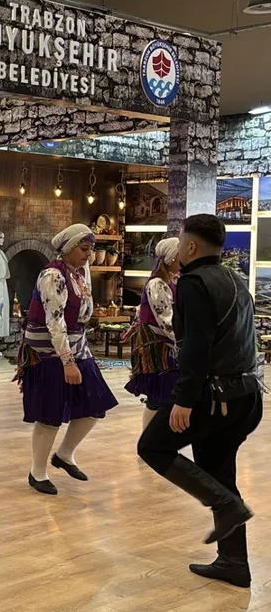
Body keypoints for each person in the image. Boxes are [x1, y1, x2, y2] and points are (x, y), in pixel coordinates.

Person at [138, 215, 263, 589]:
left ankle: (226, 507)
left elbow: (196, 346)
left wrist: (184, 400)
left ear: (191, 246)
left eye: (180, 241)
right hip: (245, 396)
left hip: (213, 396)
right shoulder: (234, 280)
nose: (178, 247)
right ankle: (234, 562)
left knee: (152, 446)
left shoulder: (194, 283)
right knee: (219, 474)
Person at [15, 224, 118, 495]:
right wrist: (67, 361)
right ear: (69, 248)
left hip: (76, 344)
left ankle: (64, 454)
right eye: (84, 249)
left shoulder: (79, 274)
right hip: (48, 351)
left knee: (96, 403)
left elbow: (80, 316)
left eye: (91, 249)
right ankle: (37, 472)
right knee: (50, 414)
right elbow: (55, 322)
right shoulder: (53, 275)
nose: (89, 254)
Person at [125, 237, 180, 430]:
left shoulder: (172, 281)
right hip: (159, 347)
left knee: (165, 394)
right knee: (159, 395)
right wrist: (183, 341)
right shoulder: (157, 284)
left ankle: (158, 437)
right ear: (172, 258)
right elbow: (165, 320)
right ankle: (148, 438)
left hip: (167, 346)